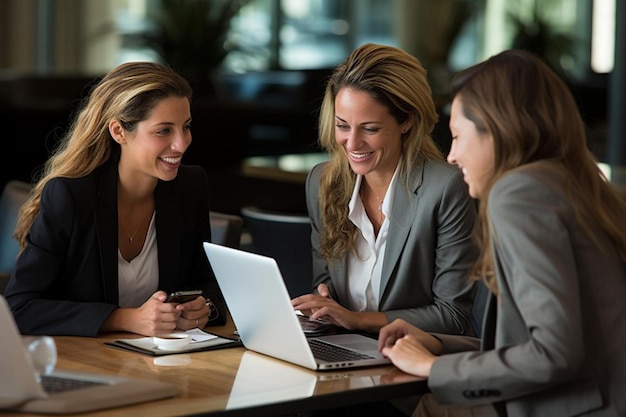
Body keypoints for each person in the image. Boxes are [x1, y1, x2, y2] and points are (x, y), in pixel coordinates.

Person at [379, 49, 626, 417]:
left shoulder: (517, 193)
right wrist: (436, 345)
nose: (452, 155)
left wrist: (432, 368)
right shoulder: (577, 182)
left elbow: (553, 353)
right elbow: (534, 342)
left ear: (495, 130)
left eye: (458, 136)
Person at [5, 61, 227, 337]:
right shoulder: (71, 197)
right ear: (119, 131)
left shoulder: (190, 186)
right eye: (163, 131)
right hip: (85, 365)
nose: (181, 143)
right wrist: (124, 319)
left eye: (186, 127)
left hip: (166, 362)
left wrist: (202, 307)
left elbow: (211, 286)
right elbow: (19, 308)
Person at [292, 43, 478, 337]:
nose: (352, 144)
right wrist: (323, 304)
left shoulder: (445, 188)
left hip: (413, 361)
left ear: (407, 121)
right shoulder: (322, 182)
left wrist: (357, 320)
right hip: (344, 353)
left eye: (370, 129)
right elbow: (326, 285)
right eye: (343, 126)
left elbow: (452, 316)